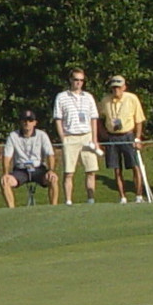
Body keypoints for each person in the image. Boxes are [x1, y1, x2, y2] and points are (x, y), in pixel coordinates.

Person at [51, 67, 100, 204]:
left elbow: (93, 119)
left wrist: (94, 139)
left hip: (87, 136)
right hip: (70, 137)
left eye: (81, 80)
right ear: (70, 80)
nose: (78, 83)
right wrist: (62, 137)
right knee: (69, 172)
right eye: (76, 80)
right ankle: (68, 201)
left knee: (91, 170)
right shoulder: (61, 97)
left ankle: (91, 199)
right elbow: (58, 118)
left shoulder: (89, 97)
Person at [100, 73, 149, 201]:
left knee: (134, 166)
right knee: (116, 168)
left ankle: (139, 196)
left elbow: (139, 120)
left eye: (119, 87)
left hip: (128, 135)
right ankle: (122, 197)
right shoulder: (105, 100)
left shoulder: (132, 99)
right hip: (112, 137)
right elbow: (99, 118)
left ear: (124, 87)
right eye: (114, 87)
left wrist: (137, 138)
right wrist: (103, 134)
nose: (116, 90)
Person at [1, 109, 57, 207]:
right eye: (25, 121)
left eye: (30, 121)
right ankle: (11, 210)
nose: (27, 123)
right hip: (21, 170)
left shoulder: (42, 135)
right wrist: (5, 173)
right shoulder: (13, 136)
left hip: (38, 169)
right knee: (5, 181)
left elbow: (50, 154)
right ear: (21, 122)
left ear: (35, 123)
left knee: (53, 178)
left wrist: (51, 170)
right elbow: (7, 157)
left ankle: (54, 208)